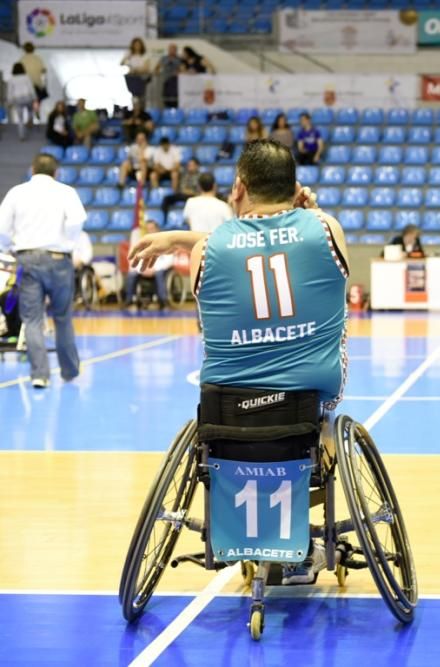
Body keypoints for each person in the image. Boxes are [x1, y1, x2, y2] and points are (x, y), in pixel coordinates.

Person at [128, 139, 350, 582]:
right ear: (295, 189)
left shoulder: (206, 251)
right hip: (307, 397)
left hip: (226, 406)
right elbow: (279, 236)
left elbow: (238, 243)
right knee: (333, 346)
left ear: (239, 188)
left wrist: (175, 238)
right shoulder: (326, 229)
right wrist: (303, 208)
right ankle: (309, 489)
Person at [0, 153, 86, 388]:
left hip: (28, 259)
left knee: (33, 320)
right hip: (59, 259)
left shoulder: (17, 193)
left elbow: (3, 228)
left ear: (32, 169)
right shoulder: (66, 192)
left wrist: (8, 247)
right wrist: (67, 242)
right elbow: (77, 220)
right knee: (62, 318)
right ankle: (69, 372)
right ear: (56, 172)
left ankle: (40, 375)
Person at [123, 220, 171, 310]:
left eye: (152, 229)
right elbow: (136, 258)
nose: (149, 231)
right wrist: (142, 269)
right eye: (147, 229)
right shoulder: (141, 242)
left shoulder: (165, 239)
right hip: (144, 269)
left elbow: (169, 259)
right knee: (131, 274)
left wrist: (155, 269)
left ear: (157, 229)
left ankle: (163, 301)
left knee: (159, 274)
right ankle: (129, 300)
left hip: (159, 269)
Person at [8, 63, 37, 141]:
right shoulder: (26, 77)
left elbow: (10, 91)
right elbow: (31, 88)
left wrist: (10, 102)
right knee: (30, 111)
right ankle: (29, 120)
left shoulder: (12, 79)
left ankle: (21, 136)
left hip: (18, 99)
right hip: (27, 97)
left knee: (20, 119)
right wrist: (35, 98)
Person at [122, 37, 152, 102]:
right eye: (135, 45)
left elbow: (146, 68)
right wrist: (127, 56)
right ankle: (135, 109)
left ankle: (140, 109)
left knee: (141, 97)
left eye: (138, 45)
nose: (137, 46)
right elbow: (122, 63)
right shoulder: (130, 55)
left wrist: (136, 70)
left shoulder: (145, 55)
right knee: (134, 97)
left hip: (141, 79)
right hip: (132, 79)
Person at [156, 43, 184, 108]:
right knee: (166, 96)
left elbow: (182, 69)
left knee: (175, 97)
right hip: (165, 80)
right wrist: (158, 73)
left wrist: (179, 72)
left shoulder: (179, 59)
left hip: (175, 82)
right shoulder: (163, 58)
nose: (172, 50)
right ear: (168, 50)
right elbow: (157, 68)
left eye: (174, 49)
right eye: (171, 49)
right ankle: (167, 109)